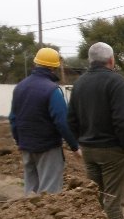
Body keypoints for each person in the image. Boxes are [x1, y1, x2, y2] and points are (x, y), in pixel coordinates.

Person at [67, 42, 124, 219]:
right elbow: (123, 119)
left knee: (94, 196)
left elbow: (71, 118)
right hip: (113, 150)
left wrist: (77, 143)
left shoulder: (79, 83)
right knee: (113, 200)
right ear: (111, 60)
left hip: (88, 149)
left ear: (90, 61)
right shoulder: (116, 82)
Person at [9, 47, 80, 194]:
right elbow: (62, 121)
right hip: (48, 148)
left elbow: (13, 119)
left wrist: (19, 141)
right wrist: (74, 146)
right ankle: (46, 217)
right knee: (49, 193)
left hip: (26, 147)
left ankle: (29, 216)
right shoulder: (52, 90)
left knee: (30, 191)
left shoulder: (19, 88)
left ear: (36, 64)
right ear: (54, 67)